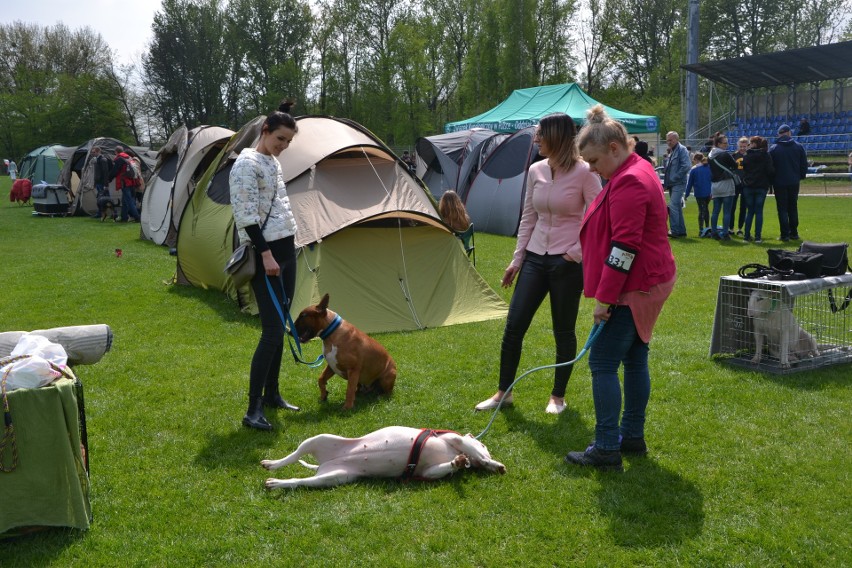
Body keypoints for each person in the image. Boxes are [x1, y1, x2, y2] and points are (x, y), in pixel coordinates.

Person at [564, 105, 676, 471]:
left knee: (602, 362)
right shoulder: (637, 168)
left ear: (615, 147)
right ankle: (631, 436)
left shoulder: (629, 180)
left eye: (594, 161)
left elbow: (625, 246)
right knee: (634, 357)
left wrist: (606, 299)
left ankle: (608, 446)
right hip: (650, 279)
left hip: (635, 286)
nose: (593, 170)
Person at [475, 113, 601, 415]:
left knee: (563, 331)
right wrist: (517, 259)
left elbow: (596, 219)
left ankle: (558, 397)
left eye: (540, 134)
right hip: (534, 257)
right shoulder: (535, 170)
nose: (536, 140)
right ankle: (503, 392)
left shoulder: (585, 172)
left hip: (567, 263)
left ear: (556, 136)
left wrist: (574, 253)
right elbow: (529, 216)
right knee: (514, 326)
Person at [229, 100, 300, 431]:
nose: (283, 147)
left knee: (280, 325)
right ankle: (252, 409)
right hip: (266, 255)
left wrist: (285, 252)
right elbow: (246, 215)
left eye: (288, 142)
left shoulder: (272, 161)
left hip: (287, 251)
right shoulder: (245, 165)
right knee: (271, 331)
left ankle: (273, 395)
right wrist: (267, 255)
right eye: (280, 139)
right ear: (266, 131)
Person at [769, 124, 808, 242]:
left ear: (779, 134)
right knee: (793, 207)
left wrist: (771, 182)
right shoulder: (798, 147)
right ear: (789, 133)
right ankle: (794, 233)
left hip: (779, 182)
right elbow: (804, 164)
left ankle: (784, 234)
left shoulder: (774, 148)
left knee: (782, 209)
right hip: (794, 181)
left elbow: (770, 168)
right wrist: (800, 177)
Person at [741, 136, 774, 243]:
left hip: (748, 186)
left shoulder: (747, 155)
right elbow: (770, 171)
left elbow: (744, 168)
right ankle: (758, 237)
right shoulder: (766, 155)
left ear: (754, 143)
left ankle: (746, 236)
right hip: (761, 186)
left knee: (749, 211)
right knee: (759, 212)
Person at [707, 133, 738, 241]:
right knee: (727, 211)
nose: (727, 145)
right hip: (726, 183)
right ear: (719, 144)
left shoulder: (710, 155)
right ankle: (725, 233)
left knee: (715, 210)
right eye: (725, 143)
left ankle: (714, 232)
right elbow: (735, 165)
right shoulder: (724, 154)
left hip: (715, 185)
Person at [662, 131, 690, 238]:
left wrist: (675, 177)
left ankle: (674, 231)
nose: (668, 142)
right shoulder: (673, 151)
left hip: (678, 182)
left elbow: (686, 166)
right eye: (667, 140)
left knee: (673, 205)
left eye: (671, 140)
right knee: (677, 206)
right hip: (673, 183)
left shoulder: (681, 150)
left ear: (677, 139)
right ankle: (681, 231)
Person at [109, 146, 142, 222]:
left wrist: (108, 179)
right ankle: (124, 217)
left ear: (116, 152)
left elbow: (115, 171)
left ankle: (137, 217)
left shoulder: (119, 159)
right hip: (132, 181)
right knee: (125, 200)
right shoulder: (129, 158)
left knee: (129, 200)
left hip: (124, 182)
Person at [684, 152, 711, 237]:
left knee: (701, 210)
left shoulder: (694, 169)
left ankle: (701, 229)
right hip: (708, 192)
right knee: (706, 209)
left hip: (699, 193)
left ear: (696, 160)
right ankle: (707, 228)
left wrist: (686, 194)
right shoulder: (709, 168)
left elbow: (690, 183)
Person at [730, 136, 749, 236]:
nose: (743, 148)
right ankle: (731, 228)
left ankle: (740, 228)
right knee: (732, 206)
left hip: (746, 184)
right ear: (738, 146)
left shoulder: (750, 156)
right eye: (741, 146)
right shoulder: (733, 156)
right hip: (735, 184)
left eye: (745, 146)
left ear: (748, 146)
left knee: (743, 207)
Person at [91, 147, 115, 220]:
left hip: (102, 182)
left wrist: (106, 184)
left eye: (94, 152)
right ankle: (108, 213)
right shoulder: (98, 160)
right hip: (99, 182)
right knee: (103, 199)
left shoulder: (103, 160)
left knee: (103, 199)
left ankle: (102, 213)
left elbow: (105, 172)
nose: (93, 153)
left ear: (98, 151)